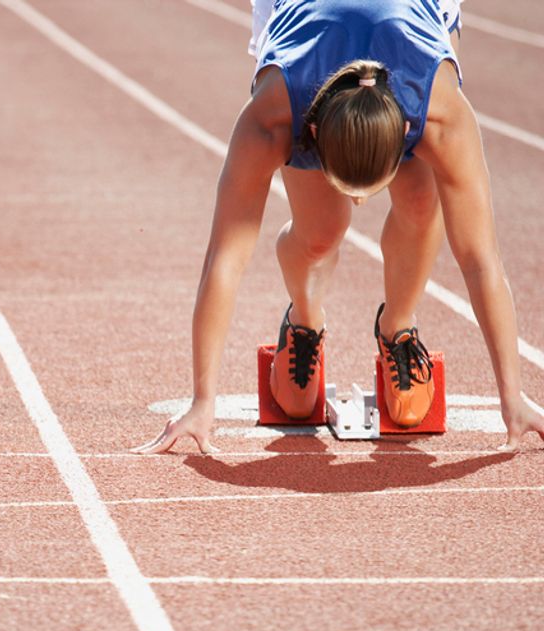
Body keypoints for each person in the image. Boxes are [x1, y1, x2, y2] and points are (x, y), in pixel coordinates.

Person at [135, 0, 544, 454]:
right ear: (310, 137)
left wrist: (513, 396)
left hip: (411, 26)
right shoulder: (273, 117)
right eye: (347, 185)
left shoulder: (439, 113)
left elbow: (480, 258)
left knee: (422, 199)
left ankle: (398, 329)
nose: (360, 201)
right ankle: (304, 322)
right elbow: (225, 257)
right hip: (304, 33)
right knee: (322, 230)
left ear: (407, 130)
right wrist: (201, 399)